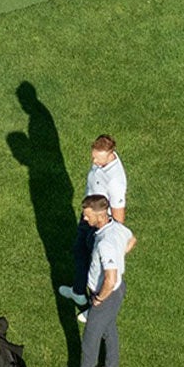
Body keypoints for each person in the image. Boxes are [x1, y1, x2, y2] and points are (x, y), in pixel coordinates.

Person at [49, 197, 136, 367]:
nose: (85, 218)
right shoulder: (117, 227)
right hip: (115, 293)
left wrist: (98, 299)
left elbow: (111, 278)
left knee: (89, 341)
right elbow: (132, 240)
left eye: (87, 215)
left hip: (106, 295)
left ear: (99, 214)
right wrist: (119, 255)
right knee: (109, 330)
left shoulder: (106, 243)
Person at [58, 134, 128, 312]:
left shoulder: (115, 181)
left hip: (100, 225)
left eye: (98, 158)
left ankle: (95, 308)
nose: (94, 161)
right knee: (80, 251)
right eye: (93, 157)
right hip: (88, 216)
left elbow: (119, 216)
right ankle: (78, 292)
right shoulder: (100, 162)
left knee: (96, 265)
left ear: (110, 154)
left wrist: (112, 240)